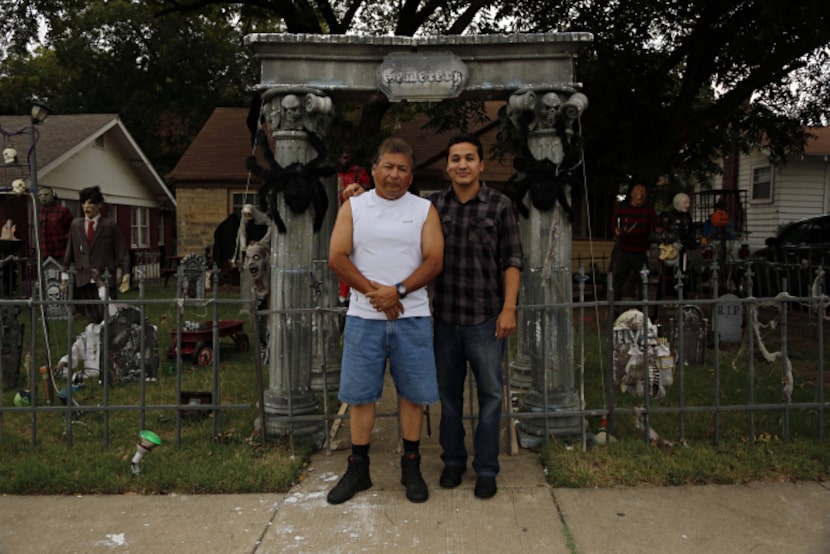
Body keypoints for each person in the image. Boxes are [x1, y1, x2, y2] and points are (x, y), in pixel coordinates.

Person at [326, 137, 444, 505]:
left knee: (412, 396)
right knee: (360, 396)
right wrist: (376, 294)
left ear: (411, 175)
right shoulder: (354, 207)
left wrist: (399, 291)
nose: (394, 175)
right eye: (388, 167)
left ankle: (411, 465)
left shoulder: (424, 209)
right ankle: (358, 468)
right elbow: (338, 256)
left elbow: (434, 260)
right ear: (374, 168)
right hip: (364, 317)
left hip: (413, 317)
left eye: (402, 168)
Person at [429, 133, 523, 500]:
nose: (462, 164)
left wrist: (509, 308)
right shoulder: (433, 207)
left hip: (486, 320)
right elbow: (392, 207)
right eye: (455, 158)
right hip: (446, 320)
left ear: (482, 164)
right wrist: (358, 191)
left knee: (491, 396)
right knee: (448, 396)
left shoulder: (500, 206)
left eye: (469, 158)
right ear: (447, 166)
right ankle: (453, 462)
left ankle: (486, 469)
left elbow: (512, 261)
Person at [63, 185, 130, 324]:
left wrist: (126, 273)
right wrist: (64, 276)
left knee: (109, 315)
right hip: (84, 277)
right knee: (91, 317)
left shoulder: (110, 226)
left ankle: (107, 343)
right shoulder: (76, 225)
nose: (86, 206)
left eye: (90, 203)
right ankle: (95, 343)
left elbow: (122, 252)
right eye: (84, 203)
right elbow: (69, 251)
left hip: (105, 277)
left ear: (99, 205)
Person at [610, 183, 661, 310]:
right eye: (638, 191)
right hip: (624, 250)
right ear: (632, 194)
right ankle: (615, 308)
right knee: (618, 280)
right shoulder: (623, 208)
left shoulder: (649, 210)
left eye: (643, 191)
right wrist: (617, 230)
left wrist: (659, 229)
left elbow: (657, 225)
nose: (641, 194)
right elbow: (614, 223)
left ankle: (641, 309)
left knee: (643, 281)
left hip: (641, 251)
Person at [334, 147, 371, 305]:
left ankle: (347, 294)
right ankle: (342, 295)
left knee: (351, 255)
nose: (344, 160)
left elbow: (369, 190)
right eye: (342, 157)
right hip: (338, 216)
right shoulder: (334, 174)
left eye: (347, 157)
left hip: (355, 217)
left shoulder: (359, 172)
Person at [38, 186, 73, 260]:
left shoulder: (63, 210)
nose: (43, 197)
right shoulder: (38, 212)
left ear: (53, 196)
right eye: (40, 195)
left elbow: (72, 229)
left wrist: (64, 241)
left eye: (46, 194)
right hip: (43, 253)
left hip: (60, 252)